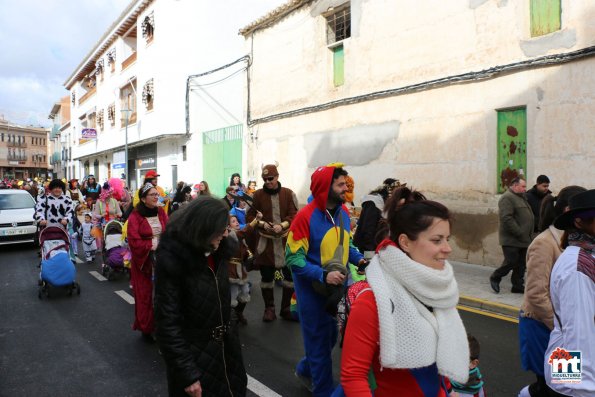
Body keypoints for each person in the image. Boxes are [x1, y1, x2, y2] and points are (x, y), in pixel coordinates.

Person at [339, 186, 469, 397]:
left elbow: (438, 354)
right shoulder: (372, 301)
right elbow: (353, 377)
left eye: (447, 239)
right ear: (406, 242)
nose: (447, 248)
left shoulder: (436, 293)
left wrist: (449, 389)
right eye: (437, 240)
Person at [286, 163, 366, 396]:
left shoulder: (342, 213)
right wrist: (322, 274)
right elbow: (294, 259)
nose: (346, 188)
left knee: (330, 338)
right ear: (325, 187)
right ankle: (322, 390)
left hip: (336, 291)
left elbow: (346, 245)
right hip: (311, 294)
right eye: (340, 184)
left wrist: (360, 260)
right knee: (319, 345)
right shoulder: (304, 217)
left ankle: (305, 368)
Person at [154, 196, 247, 396]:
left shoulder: (219, 252)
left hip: (228, 354)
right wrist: (187, 373)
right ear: (203, 228)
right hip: (195, 358)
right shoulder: (173, 260)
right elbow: (167, 323)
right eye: (220, 229)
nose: (225, 233)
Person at [518, 186, 587, 397]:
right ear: (570, 212)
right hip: (543, 327)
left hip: (563, 330)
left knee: (566, 385)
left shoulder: (573, 243)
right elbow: (536, 294)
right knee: (556, 386)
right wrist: (565, 328)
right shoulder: (544, 243)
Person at [543, 189, 595, 397]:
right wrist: (583, 390)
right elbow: (577, 333)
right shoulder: (577, 267)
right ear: (579, 222)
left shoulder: (587, 257)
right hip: (575, 378)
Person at [246, 164, 299, 322]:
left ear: (277, 177)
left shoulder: (288, 194)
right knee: (267, 277)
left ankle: (286, 308)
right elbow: (250, 217)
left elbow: (294, 215)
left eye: (271, 178)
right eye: (265, 179)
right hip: (265, 243)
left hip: (285, 242)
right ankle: (269, 309)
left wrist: (282, 225)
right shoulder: (257, 195)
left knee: (289, 277)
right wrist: (262, 223)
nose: (268, 181)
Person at [127, 183, 168, 342]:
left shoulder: (160, 212)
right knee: (145, 296)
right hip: (144, 262)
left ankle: (163, 326)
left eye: (157, 194)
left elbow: (169, 229)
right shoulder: (135, 216)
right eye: (152, 195)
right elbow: (133, 241)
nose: (156, 197)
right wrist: (150, 245)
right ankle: (147, 328)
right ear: (143, 199)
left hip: (162, 258)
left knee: (163, 294)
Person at [489, 177, 533, 294]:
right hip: (512, 239)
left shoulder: (521, 197)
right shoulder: (507, 198)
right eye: (523, 186)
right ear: (514, 186)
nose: (525, 189)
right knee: (511, 261)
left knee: (521, 264)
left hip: (524, 238)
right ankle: (495, 277)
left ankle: (517, 285)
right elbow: (506, 218)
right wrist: (518, 232)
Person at [353, 178, 404, 259]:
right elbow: (368, 230)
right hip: (367, 247)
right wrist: (369, 256)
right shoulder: (373, 202)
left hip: (378, 246)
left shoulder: (386, 203)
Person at [228, 214, 257, 325]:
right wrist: (256, 220)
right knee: (233, 294)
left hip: (241, 269)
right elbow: (244, 232)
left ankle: (239, 313)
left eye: (236, 221)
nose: (237, 223)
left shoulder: (241, 238)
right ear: (228, 226)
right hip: (231, 269)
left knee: (245, 292)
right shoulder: (232, 234)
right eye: (233, 221)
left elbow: (246, 252)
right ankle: (231, 318)